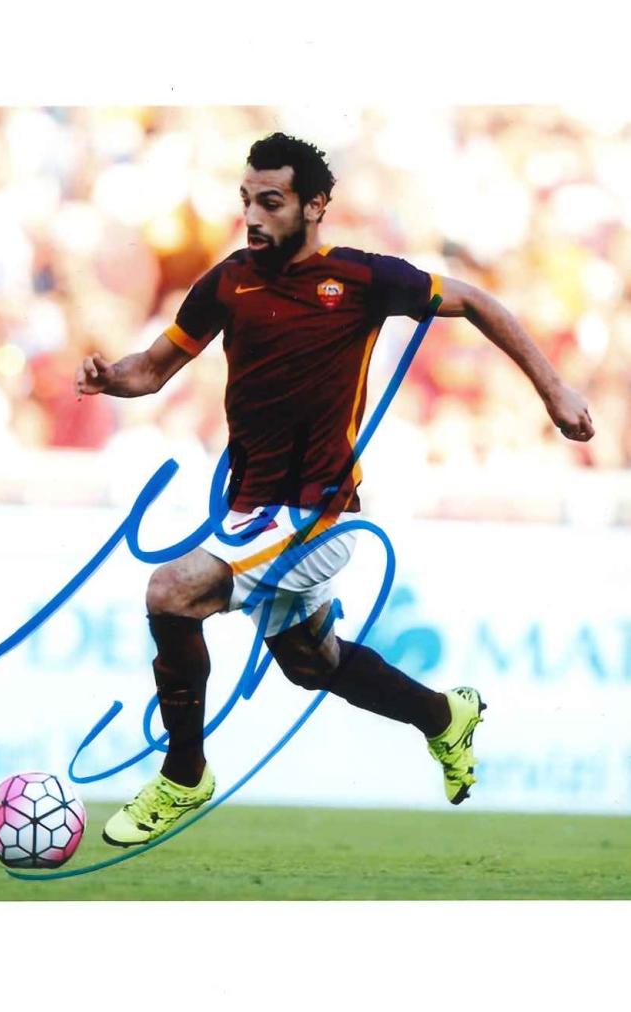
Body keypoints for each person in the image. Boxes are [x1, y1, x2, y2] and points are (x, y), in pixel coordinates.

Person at [75, 133, 595, 847]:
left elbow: (475, 301)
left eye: (271, 202)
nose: (253, 217)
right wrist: (113, 377)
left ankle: (184, 774)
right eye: (246, 201)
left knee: (171, 591)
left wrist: (555, 390)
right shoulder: (228, 283)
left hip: (316, 514)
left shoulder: (360, 278)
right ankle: (443, 716)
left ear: (315, 205)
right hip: (252, 513)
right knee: (311, 664)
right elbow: (152, 369)